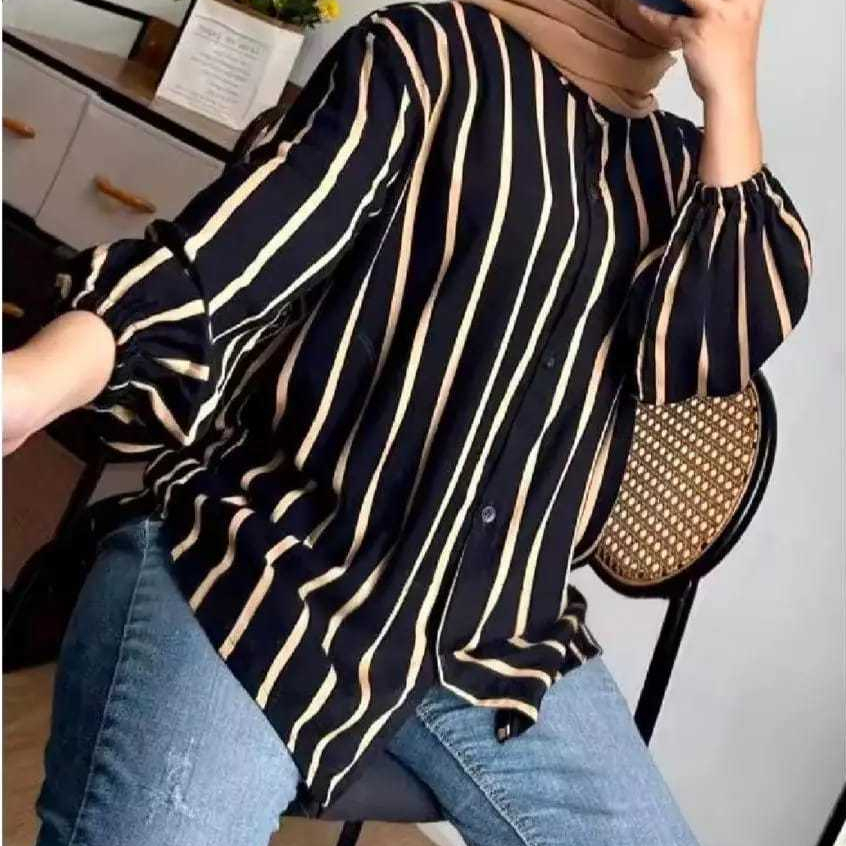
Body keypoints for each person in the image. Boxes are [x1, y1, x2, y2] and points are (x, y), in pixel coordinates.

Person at [3, 0, 811, 843]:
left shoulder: (683, 174)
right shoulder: (425, 55)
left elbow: (704, 350)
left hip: (500, 641)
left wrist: (732, 89)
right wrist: (36, 380)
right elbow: (221, 272)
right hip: (264, 571)